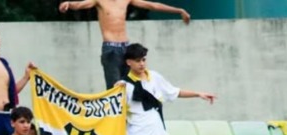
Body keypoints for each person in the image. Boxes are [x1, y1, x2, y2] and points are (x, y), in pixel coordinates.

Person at [120, 44, 215, 135]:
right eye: (138, 61)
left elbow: (174, 92)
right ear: (129, 62)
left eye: (144, 60)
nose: (142, 64)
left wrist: (198, 94)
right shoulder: (123, 85)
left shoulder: (155, 77)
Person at [57, 0, 191, 87]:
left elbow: (152, 5)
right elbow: (80, 5)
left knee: (132, 86)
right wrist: (69, 4)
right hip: (111, 49)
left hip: (126, 49)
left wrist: (179, 10)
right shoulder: (100, 1)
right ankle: (115, 121)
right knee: (115, 88)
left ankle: (129, 120)